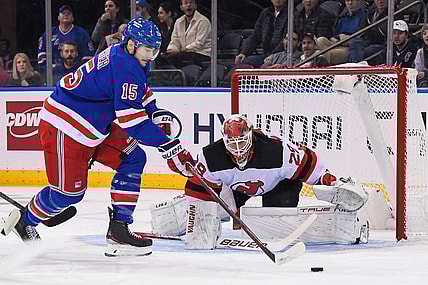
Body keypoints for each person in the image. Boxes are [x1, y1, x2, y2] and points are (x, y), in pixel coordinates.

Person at [2, 18, 194, 257]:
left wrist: (154, 112)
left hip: (94, 124)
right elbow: (132, 123)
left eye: (156, 50)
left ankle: (119, 231)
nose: (152, 55)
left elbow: (140, 93)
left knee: (133, 158)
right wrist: (169, 147)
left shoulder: (129, 55)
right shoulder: (126, 65)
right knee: (68, 194)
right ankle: (27, 220)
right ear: (132, 44)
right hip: (65, 126)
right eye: (148, 49)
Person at [150, 114, 369, 249]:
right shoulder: (211, 156)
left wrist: (330, 181)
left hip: (278, 185)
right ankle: (167, 220)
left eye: (241, 140)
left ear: (251, 135)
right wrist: (196, 220)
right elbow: (199, 190)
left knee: (277, 220)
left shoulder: (277, 151)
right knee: (205, 213)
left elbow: (309, 165)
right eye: (231, 142)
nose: (237, 148)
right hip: (236, 188)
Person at [38, 5, 94, 71]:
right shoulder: (49, 33)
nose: (66, 15)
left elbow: (88, 56)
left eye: (68, 13)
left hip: (76, 72)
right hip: (55, 73)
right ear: (58, 17)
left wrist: (81, 71)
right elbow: (41, 55)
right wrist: (50, 70)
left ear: (72, 18)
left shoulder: (81, 33)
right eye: (63, 13)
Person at [234, 0, 288, 67]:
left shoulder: (291, 14)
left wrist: (274, 56)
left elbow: (286, 39)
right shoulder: (265, 13)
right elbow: (255, 35)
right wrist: (244, 52)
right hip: (266, 55)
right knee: (244, 62)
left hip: (283, 56)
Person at [349, 0, 402, 64]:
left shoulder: (395, 13)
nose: (380, 1)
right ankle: (357, 67)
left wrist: (370, 32)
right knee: (355, 41)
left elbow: (383, 33)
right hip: (368, 41)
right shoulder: (371, 12)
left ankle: (356, 68)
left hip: (383, 44)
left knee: (359, 52)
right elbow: (361, 29)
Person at [316, 0, 366, 65]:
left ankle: (321, 61)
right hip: (337, 43)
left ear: (359, 1)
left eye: (353, 0)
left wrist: (345, 39)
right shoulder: (343, 17)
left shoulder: (363, 17)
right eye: (348, 1)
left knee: (320, 54)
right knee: (320, 40)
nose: (350, 3)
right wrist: (337, 38)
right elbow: (335, 35)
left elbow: (360, 39)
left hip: (349, 47)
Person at [165, 0, 211, 68]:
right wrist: (170, 50)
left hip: (202, 54)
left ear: (195, 6)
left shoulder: (203, 21)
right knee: (163, 57)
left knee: (178, 57)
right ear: (181, 7)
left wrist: (181, 51)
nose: (189, 5)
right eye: (186, 3)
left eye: (191, 2)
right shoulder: (178, 21)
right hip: (185, 54)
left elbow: (199, 43)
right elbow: (174, 41)